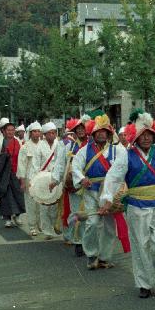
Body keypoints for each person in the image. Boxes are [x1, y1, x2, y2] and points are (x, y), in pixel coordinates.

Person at [102, 109, 155, 298]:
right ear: (136, 138)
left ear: (154, 136)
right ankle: (143, 284)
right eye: (142, 135)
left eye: (149, 135)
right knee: (140, 244)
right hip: (137, 206)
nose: (146, 138)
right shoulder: (127, 156)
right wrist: (106, 198)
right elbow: (113, 177)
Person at [71, 114, 119, 270]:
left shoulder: (117, 151)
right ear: (93, 134)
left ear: (109, 133)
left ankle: (105, 257)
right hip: (91, 190)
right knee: (92, 223)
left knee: (109, 226)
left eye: (104, 131)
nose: (101, 134)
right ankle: (92, 255)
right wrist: (81, 178)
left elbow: (123, 169)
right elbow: (75, 167)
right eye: (98, 131)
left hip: (110, 193)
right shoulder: (85, 150)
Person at [61, 115, 91, 257]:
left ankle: (88, 242)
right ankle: (77, 242)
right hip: (74, 185)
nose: (80, 131)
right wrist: (57, 180)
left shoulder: (93, 144)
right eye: (77, 129)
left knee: (89, 215)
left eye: (82, 128)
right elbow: (62, 165)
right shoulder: (69, 146)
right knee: (75, 214)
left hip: (90, 185)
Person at [0, 118, 25, 228]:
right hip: (4, 174)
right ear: (4, 131)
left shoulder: (19, 143)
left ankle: (18, 215)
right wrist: (3, 156)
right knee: (5, 197)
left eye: (12, 130)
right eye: (8, 130)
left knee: (18, 194)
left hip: (16, 172)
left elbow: (23, 158)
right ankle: (7, 218)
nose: (10, 132)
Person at [34, 122, 66, 240]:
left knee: (56, 205)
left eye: (54, 133)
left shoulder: (60, 144)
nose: (52, 135)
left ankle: (56, 226)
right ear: (45, 135)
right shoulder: (39, 147)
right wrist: (36, 179)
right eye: (50, 133)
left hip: (56, 178)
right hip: (42, 178)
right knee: (44, 206)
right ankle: (47, 230)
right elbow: (36, 164)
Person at [17, 122, 45, 236]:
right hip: (29, 178)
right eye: (34, 131)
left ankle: (41, 225)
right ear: (30, 133)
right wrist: (23, 181)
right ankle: (32, 226)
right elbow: (21, 165)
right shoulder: (25, 147)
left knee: (41, 202)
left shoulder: (44, 145)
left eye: (38, 131)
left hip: (41, 178)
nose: (36, 133)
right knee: (30, 203)